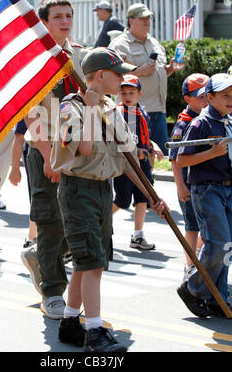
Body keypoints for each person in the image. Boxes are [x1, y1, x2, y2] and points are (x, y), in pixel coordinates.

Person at [51, 47, 168, 352]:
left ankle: (69, 320)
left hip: (104, 190)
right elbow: (85, 149)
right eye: (119, 74)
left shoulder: (112, 109)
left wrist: (152, 195)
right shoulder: (71, 108)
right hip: (79, 190)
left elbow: (128, 159)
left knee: (90, 259)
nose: (123, 79)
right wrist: (90, 109)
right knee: (91, 263)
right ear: (101, 75)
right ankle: (94, 331)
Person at [21, 0, 88, 319]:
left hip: (76, 152)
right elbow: (31, 114)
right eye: (58, 16)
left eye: (69, 16)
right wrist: (49, 158)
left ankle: (39, 257)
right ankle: (52, 291)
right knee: (51, 221)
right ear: (44, 22)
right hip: (45, 151)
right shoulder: (35, 58)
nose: (65, 21)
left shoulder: (78, 55)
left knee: (75, 221)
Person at [176, 73, 232, 318]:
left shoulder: (228, 121)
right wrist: (213, 152)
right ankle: (193, 287)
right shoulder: (200, 124)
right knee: (217, 244)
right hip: (208, 189)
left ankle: (216, 297)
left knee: (228, 246)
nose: (231, 100)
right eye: (225, 95)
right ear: (209, 97)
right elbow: (181, 158)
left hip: (228, 187)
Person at [110, 2, 180, 155]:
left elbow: (157, 73)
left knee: (158, 154)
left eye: (148, 18)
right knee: (136, 156)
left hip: (158, 109)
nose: (146, 21)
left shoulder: (154, 43)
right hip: (132, 111)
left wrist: (170, 69)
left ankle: (150, 180)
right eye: (142, 18)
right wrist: (139, 71)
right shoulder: (120, 45)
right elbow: (113, 76)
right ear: (131, 20)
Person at [113, 74, 163, 250]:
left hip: (142, 164)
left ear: (139, 94)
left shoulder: (142, 112)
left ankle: (138, 235)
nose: (127, 96)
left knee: (143, 199)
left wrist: (154, 146)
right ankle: (101, 221)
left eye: (131, 92)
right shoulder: (118, 113)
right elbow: (117, 142)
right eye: (123, 92)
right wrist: (136, 152)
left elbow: (145, 137)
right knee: (122, 201)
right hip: (125, 165)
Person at [169, 74, 208, 280]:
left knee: (205, 225)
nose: (205, 100)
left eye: (207, 95)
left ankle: (199, 256)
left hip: (204, 181)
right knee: (192, 226)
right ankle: (190, 266)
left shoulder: (209, 119)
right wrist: (180, 186)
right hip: (187, 181)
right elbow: (174, 158)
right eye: (200, 97)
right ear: (188, 99)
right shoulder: (184, 123)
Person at [9, 118, 37, 248]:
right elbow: (19, 137)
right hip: (35, 156)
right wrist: (15, 168)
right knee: (36, 197)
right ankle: (32, 238)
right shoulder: (31, 104)